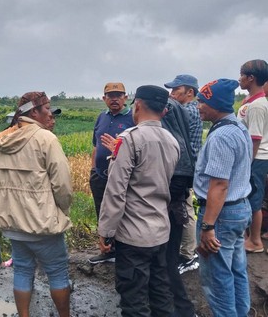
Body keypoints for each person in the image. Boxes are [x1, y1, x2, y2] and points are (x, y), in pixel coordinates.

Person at [98, 85, 180, 317]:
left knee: (134, 299)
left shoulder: (130, 140)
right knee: (160, 293)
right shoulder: (171, 140)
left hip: (134, 236)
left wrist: (106, 231)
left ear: (138, 105)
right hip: (160, 231)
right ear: (163, 110)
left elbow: (115, 191)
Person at [0, 91, 73, 317]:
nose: (50, 115)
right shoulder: (46, 139)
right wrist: (61, 211)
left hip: (13, 225)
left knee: (23, 270)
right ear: (33, 112)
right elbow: (63, 186)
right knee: (57, 273)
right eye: (47, 109)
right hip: (43, 224)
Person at [194, 78, 252, 316]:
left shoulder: (221, 137)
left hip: (220, 216)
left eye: (202, 102)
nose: (198, 107)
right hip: (239, 210)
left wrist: (208, 226)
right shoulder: (238, 127)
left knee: (217, 279)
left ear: (215, 104)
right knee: (237, 270)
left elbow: (219, 185)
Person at [88, 82, 134, 265]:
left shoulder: (132, 119)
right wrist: (93, 169)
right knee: (102, 211)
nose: (114, 99)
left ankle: (123, 249)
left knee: (121, 212)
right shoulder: (101, 117)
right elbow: (96, 146)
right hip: (99, 174)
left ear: (126, 97)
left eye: (118, 95)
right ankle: (107, 249)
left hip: (121, 177)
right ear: (104, 99)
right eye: (110, 95)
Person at [164, 74, 203, 274]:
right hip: (189, 166)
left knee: (185, 207)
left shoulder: (187, 111)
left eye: (175, 90)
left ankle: (188, 254)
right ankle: (186, 250)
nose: (171, 95)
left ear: (189, 92)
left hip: (185, 167)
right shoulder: (190, 109)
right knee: (185, 206)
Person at [237, 59, 268, 253]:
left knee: (254, 200)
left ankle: (255, 240)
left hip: (256, 158)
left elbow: (254, 138)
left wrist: (247, 163)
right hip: (254, 157)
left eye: (242, 75)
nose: (239, 79)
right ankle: (249, 236)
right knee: (250, 197)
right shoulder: (252, 102)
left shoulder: (257, 106)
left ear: (251, 78)